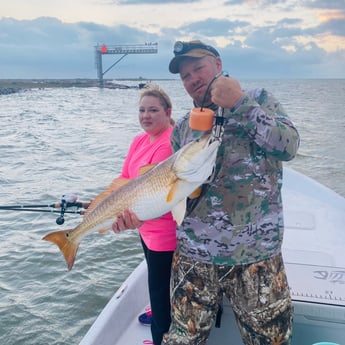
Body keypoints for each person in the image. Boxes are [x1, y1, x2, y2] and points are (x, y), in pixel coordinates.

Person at [158, 40, 300, 345]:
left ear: (218, 65)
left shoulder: (258, 99)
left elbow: (288, 147)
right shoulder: (183, 127)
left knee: (270, 340)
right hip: (194, 258)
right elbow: (177, 193)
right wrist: (134, 213)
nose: (192, 78)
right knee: (182, 340)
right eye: (184, 76)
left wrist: (239, 103)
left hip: (256, 256)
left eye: (198, 68)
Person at [103, 84, 176, 345]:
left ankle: (161, 338)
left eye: (153, 110)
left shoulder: (168, 144)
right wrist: (104, 205)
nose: (146, 115)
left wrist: (124, 214)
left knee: (159, 292)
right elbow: (125, 179)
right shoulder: (139, 140)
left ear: (168, 112)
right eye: (142, 110)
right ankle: (159, 314)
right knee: (157, 285)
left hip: (164, 234)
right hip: (144, 230)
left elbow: (153, 195)